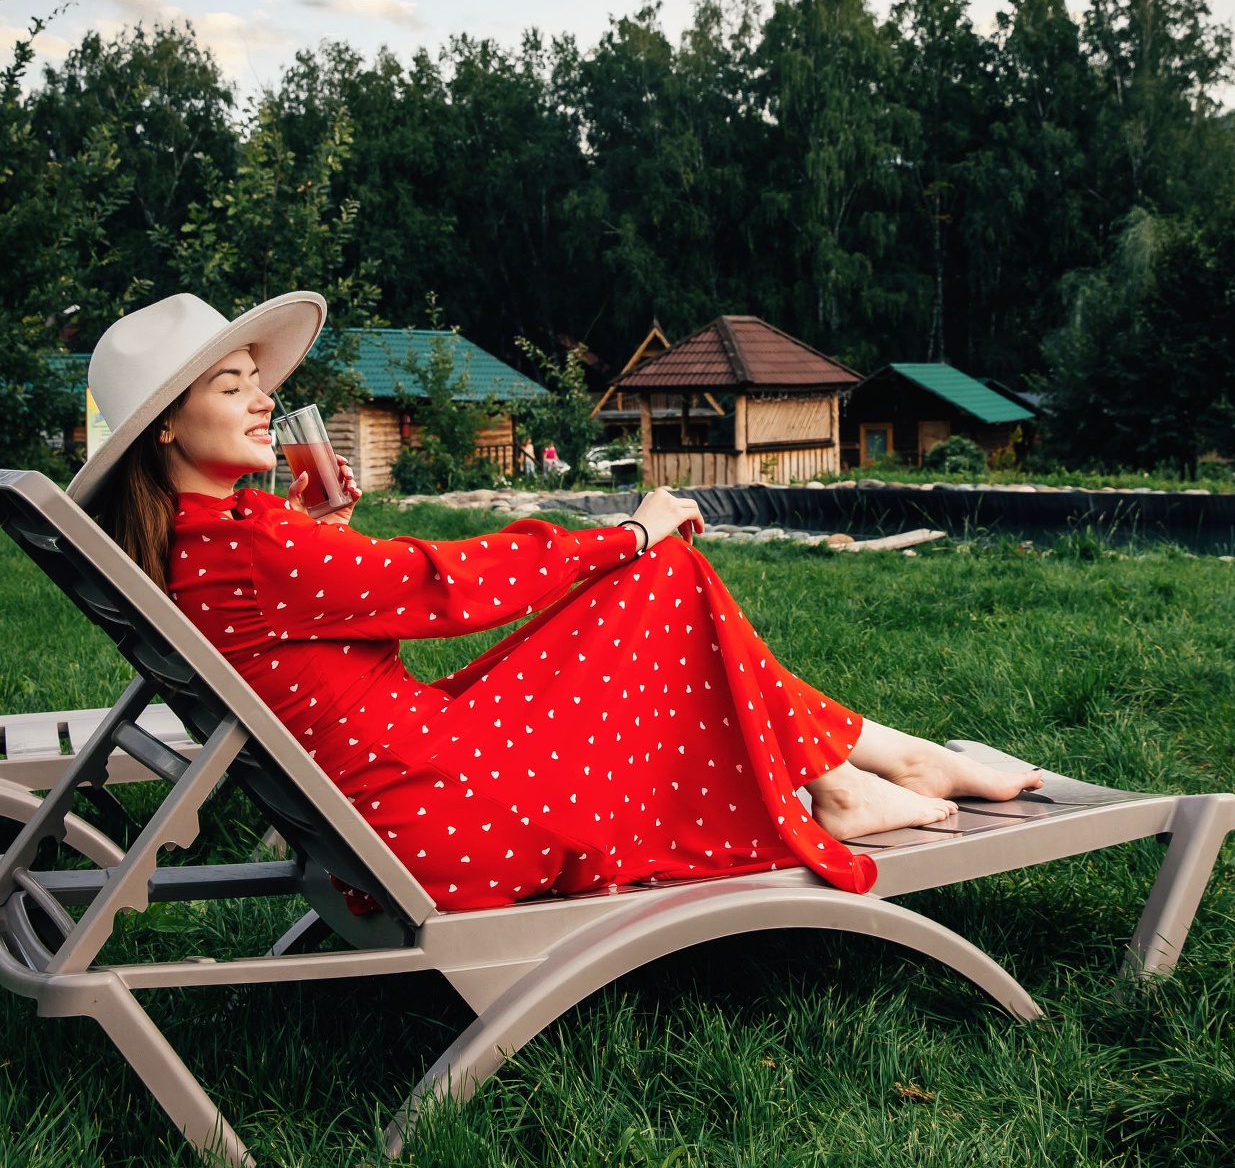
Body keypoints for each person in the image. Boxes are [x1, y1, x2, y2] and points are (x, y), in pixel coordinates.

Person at [73, 291, 1041, 914]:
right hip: (437, 813)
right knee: (660, 569)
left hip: (386, 785)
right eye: (234, 384)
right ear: (163, 424)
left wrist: (317, 532)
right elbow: (445, 588)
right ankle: (866, 769)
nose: (260, 402)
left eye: (257, 383)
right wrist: (627, 531)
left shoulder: (209, 544)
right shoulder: (253, 545)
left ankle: (853, 773)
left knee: (660, 580)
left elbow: (305, 616)